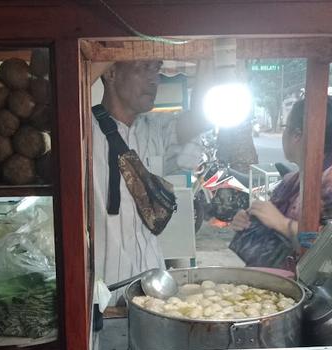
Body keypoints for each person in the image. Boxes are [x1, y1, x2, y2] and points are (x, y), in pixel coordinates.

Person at [92, 60, 210, 303]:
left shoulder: (157, 129)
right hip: (102, 293)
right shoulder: (83, 129)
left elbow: (201, 119)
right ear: (112, 73)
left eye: (156, 69)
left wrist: (208, 54)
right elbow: (56, 101)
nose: (154, 79)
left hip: (153, 287)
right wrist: (103, 56)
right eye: (143, 68)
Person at [230, 97, 332, 265]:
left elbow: (326, 247)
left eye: (285, 127)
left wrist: (282, 223)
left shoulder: (328, 181)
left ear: (297, 135)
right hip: (282, 278)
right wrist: (248, 219)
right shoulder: (292, 180)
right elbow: (268, 216)